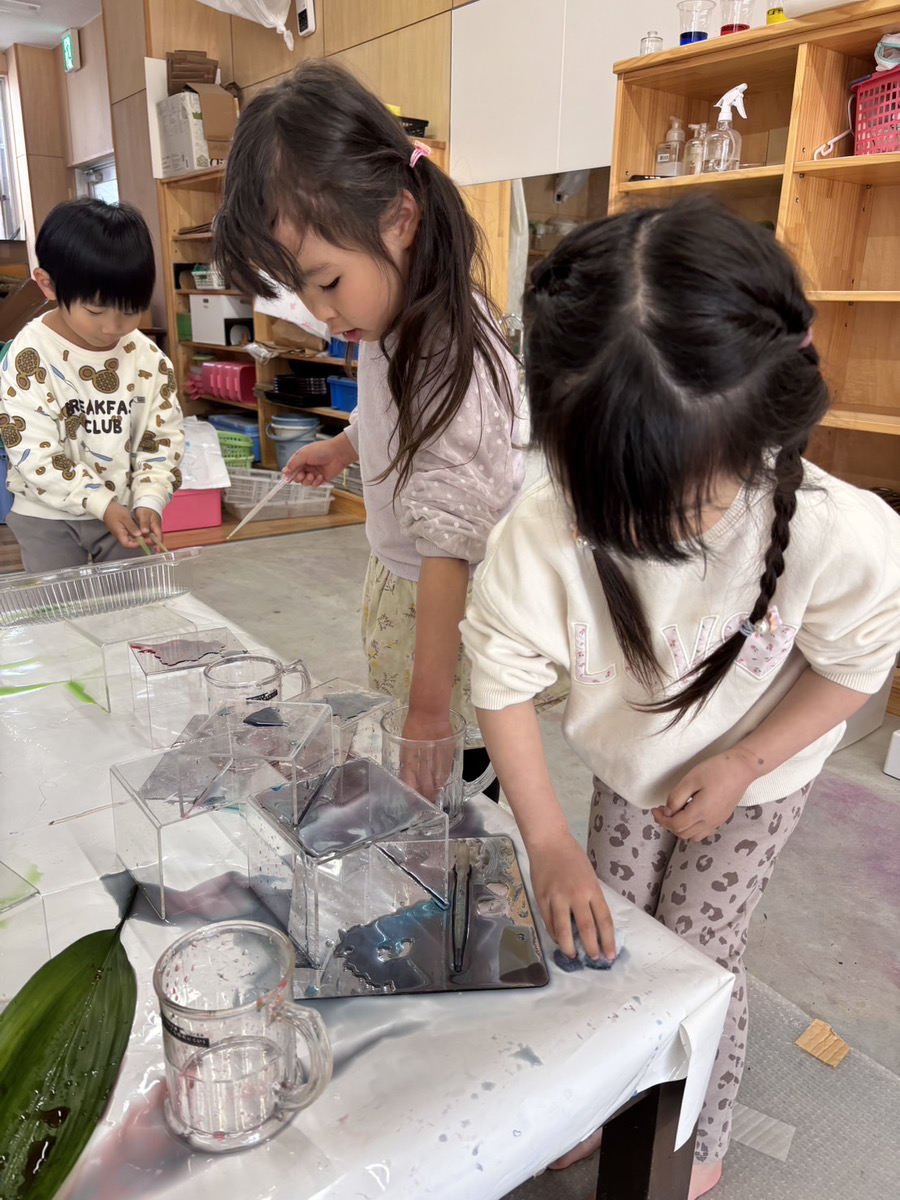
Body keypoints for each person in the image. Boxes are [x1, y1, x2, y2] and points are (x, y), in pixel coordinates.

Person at [461, 200, 900, 1199]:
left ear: (761, 426)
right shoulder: (541, 527)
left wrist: (743, 762)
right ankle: (607, 1102)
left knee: (699, 956)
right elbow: (503, 676)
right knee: (607, 934)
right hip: (630, 766)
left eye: (680, 505)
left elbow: (856, 667)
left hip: (759, 779)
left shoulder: (840, 535)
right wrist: (548, 841)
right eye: (611, 502)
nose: (642, 536)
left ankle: (694, 1133)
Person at [213, 60, 527, 792]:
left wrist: (429, 710)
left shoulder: (449, 350)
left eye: (327, 281)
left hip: (450, 605)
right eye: (301, 291)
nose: (322, 313)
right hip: (408, 580)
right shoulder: (389, 317)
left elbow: (450, 546)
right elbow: (389, 412)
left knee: (460, 778)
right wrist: (345, 443)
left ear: (400, 218)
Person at [0, 198, 185, 573]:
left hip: (127, 514)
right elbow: (33, 453)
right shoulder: (28, 356)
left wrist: (151, 497)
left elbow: (162, 438)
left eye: (130, 310)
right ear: (48, 285)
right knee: (60, 604)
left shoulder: (148, 359)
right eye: (96, 311)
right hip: (47, 517)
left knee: (132, 600)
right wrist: (101, 504)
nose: (113, 327)